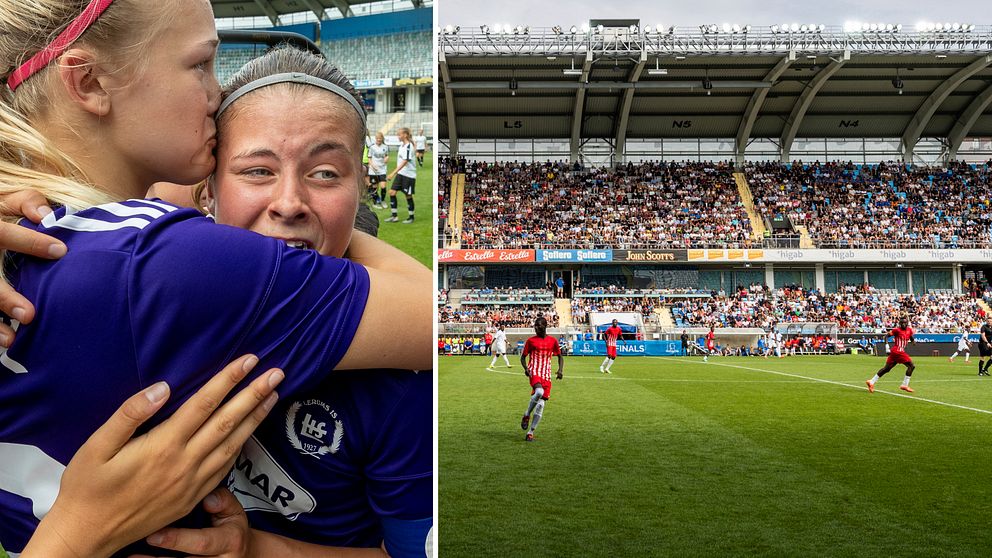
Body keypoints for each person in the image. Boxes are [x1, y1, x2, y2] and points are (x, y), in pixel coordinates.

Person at [0, 3, 431, 555]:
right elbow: (431, 312)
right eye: (201, 64)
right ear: (87, 82)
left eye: (327, 174)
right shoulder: (168, 262)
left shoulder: (36, 236)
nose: (215, 92)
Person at [520, 316, 563, 442]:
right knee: (539, 392)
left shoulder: (553, 341)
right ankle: (527, 414)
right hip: (535, 372)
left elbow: (560, 356)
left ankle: (530, 432)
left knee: (541, 406)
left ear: (545, 326)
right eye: (535, 326)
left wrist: (560, 370)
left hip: (547, 375)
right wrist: (526, 369)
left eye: (538, 326)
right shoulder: (530, 341)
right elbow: (523, 357)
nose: (536, 328)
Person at [866, 315, 916, 394]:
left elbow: (911, 336)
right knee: (911, 366)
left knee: (887, 369)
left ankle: (871, 381)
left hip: (896, 352)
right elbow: (886, 336)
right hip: (897, 351)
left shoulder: (909, 330)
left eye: (905, 323)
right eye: (902, 323)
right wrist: (886, 346)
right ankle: (904, 385)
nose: (903, 324)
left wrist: (913, 341)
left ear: (907, 323)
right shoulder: (897, 330)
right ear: (899, 323)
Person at [385, 127, 416, 224]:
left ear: (405, 135)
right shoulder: (402, 146)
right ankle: (394, 216)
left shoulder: (408, 146)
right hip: (401, 174)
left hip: (408, 175)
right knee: (392, 192)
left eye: (399, 134)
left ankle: (411, 217)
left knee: (408, 195)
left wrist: (393, 173)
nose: (398, 136)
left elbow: (405, 161)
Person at [367, 131, 389, 209]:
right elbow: (369, 158)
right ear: (375, 139)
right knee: (375, 188)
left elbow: (387, 156)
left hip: (382, 170)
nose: (378, 140)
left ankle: (383, 201)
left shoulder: (385, 147)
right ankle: (375, 203)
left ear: (382, 139)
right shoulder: (372, 147)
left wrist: (387, 158)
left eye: (380, 138)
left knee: (383, 187)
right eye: (377, 138)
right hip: (373, 170)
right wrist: (373, 165)